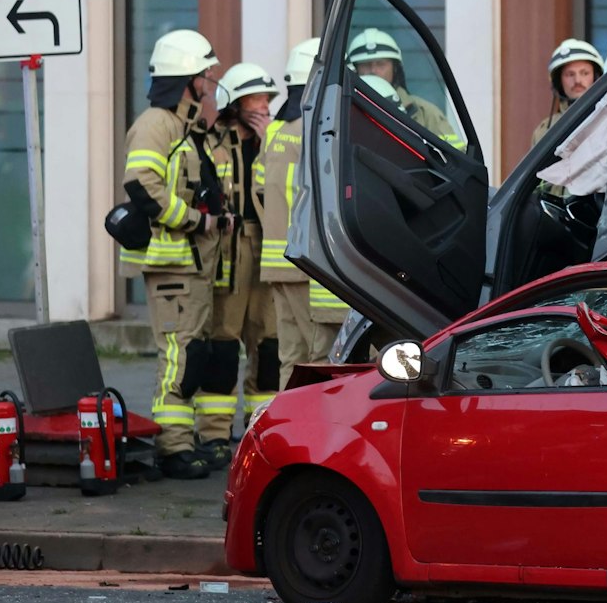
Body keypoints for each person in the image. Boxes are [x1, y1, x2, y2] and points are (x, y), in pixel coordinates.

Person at [120, 28, 222, 480]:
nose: (210, 84)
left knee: (192, 354)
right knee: (179, 357)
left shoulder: (186, 126)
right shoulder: (156, 124)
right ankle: (172, 446)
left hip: (192, 266)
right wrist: (195, 220)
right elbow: (141, 183)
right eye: (206, 76)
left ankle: (182, 439)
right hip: (172, 264)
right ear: (188, 79)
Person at [194, 62, 281, 468]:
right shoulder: (211, 144)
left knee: (268, 344)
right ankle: (213, 436)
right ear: (234, 102)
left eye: (267, 98)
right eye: (256, 98)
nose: (264, 105)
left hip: (268, 246)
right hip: (229, 249)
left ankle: (260, 431)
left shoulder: (278, 141)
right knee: (223, 344)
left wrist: (269, 144)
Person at [261, 37, 348, 383]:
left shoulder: (275, 131)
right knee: (318, 357)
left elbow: (259, 190)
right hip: (306, 263)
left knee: (290, 358)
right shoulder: (317, 129)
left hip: (277, 263)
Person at [345, 28, 467, 150]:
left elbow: (455, 160)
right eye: (366, 65)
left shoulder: (425, 112)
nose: (374, 71)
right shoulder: (342, 109)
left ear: (395, 68)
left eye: (381, 64)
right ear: (354, 70)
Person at [530, 38, 604, 147]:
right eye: (570, 74)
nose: (578, 80)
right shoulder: (544, 131)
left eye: (585, 73)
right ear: (559, 82)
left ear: (596, 77)